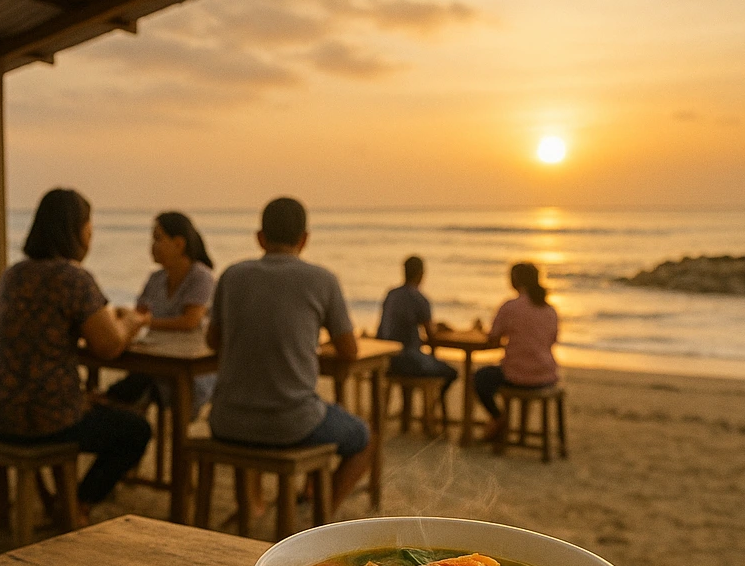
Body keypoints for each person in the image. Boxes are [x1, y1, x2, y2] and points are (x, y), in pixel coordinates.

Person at [0, 188, 152, 525]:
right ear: (76, 230)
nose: (91, 234)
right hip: (46, 421)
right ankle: (77, 505)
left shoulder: (14, 274)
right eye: (89, 226)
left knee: (97, 406)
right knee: (136, 430)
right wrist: (133, 321)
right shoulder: (73, 278)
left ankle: (65, 501)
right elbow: (108, 346)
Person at [206, 197, 373, 514]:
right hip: (291, 424)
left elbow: (213, 340)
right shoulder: (322, 279)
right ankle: (324, 515)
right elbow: (349, 351)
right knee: (363, 437)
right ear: (305, 239)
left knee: (271, 405)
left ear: (260, 237)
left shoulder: (231, 275)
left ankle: (253, 506)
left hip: (226, 421)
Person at [104, 211, 216, 418]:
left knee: (140, 383)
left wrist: (144, 322)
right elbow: (138, 316)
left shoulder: (201, 276)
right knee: (141, 378)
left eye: (158, 239)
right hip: (155, 357)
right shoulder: (155, 279)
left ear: (179, 244)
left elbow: (189, 322)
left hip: (189, 365)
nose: (152, 246)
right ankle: (118, 405)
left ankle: (114, 402)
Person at [474, 262, 559, 440]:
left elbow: (493, 339)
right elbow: (551, 341)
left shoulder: (511, 307)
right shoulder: (550, 310)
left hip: (517, 374)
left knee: (479, 378)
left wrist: (482, 331)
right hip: (546, 374)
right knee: (496, 373)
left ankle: (498, 418)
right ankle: (512, 428)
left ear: (515, 281)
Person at [377, 255, 457, 396]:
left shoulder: (391, 295)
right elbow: (431, 337)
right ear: (421, 274)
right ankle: (434, 409)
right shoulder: (420, 299)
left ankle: (413, 413)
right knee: (452, 373)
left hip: (388, 360)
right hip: (410, 361)